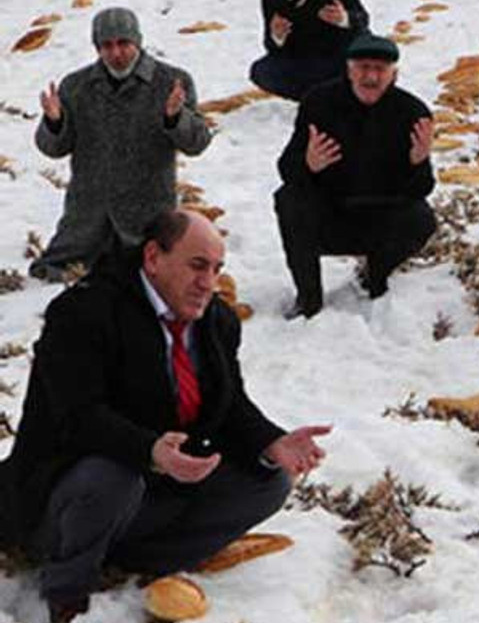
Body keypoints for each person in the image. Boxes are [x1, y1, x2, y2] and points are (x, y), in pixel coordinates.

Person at [0, 210, 331, 623]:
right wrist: (150, 451)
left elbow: (228, 405)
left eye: (216, 269)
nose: (208, 282)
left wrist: (271, 442)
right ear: (154, 258)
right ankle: (69, 595)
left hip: (156, 491)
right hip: (63, 499)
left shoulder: (216, 319)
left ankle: (137, 561)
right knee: (113, 476)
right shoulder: (84, 312)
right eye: (197, 266)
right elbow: (78, 418)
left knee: (269, 482)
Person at [28, 7, 211, 282]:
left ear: (137, 41)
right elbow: (53, 147)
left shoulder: (172, 82)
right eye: (107, 45)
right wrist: (55, 122)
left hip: (148, 218)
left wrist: (175, 118)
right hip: (86, 220)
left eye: (123, 43)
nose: (116, 53)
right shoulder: (75, 86)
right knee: (54, 277)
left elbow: (197, 143)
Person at [273, 33, 437, 319]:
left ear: (393, 74)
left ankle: (376, 276)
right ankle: (308, 298)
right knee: (289, 200)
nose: (371, 77)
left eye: (380, 70)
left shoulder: (412, 112)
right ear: (349, 69)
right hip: (329, 215)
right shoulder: (318, 103)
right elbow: (287, 170)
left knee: (421, 218)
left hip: (379, 217)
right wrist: (309, 164)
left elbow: (420, 190)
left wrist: (418, 163)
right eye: (363, 67)